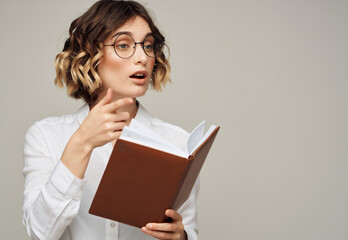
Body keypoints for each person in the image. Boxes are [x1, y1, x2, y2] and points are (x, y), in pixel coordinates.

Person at [22, 1, 199, 240]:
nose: (142, 57)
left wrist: (182, 237)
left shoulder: (178, 141)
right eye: (124, 45)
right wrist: (81, 144)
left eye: (148, 45)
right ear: (91, 54)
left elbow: (188, 228)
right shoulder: (46, 136)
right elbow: (39, 233)